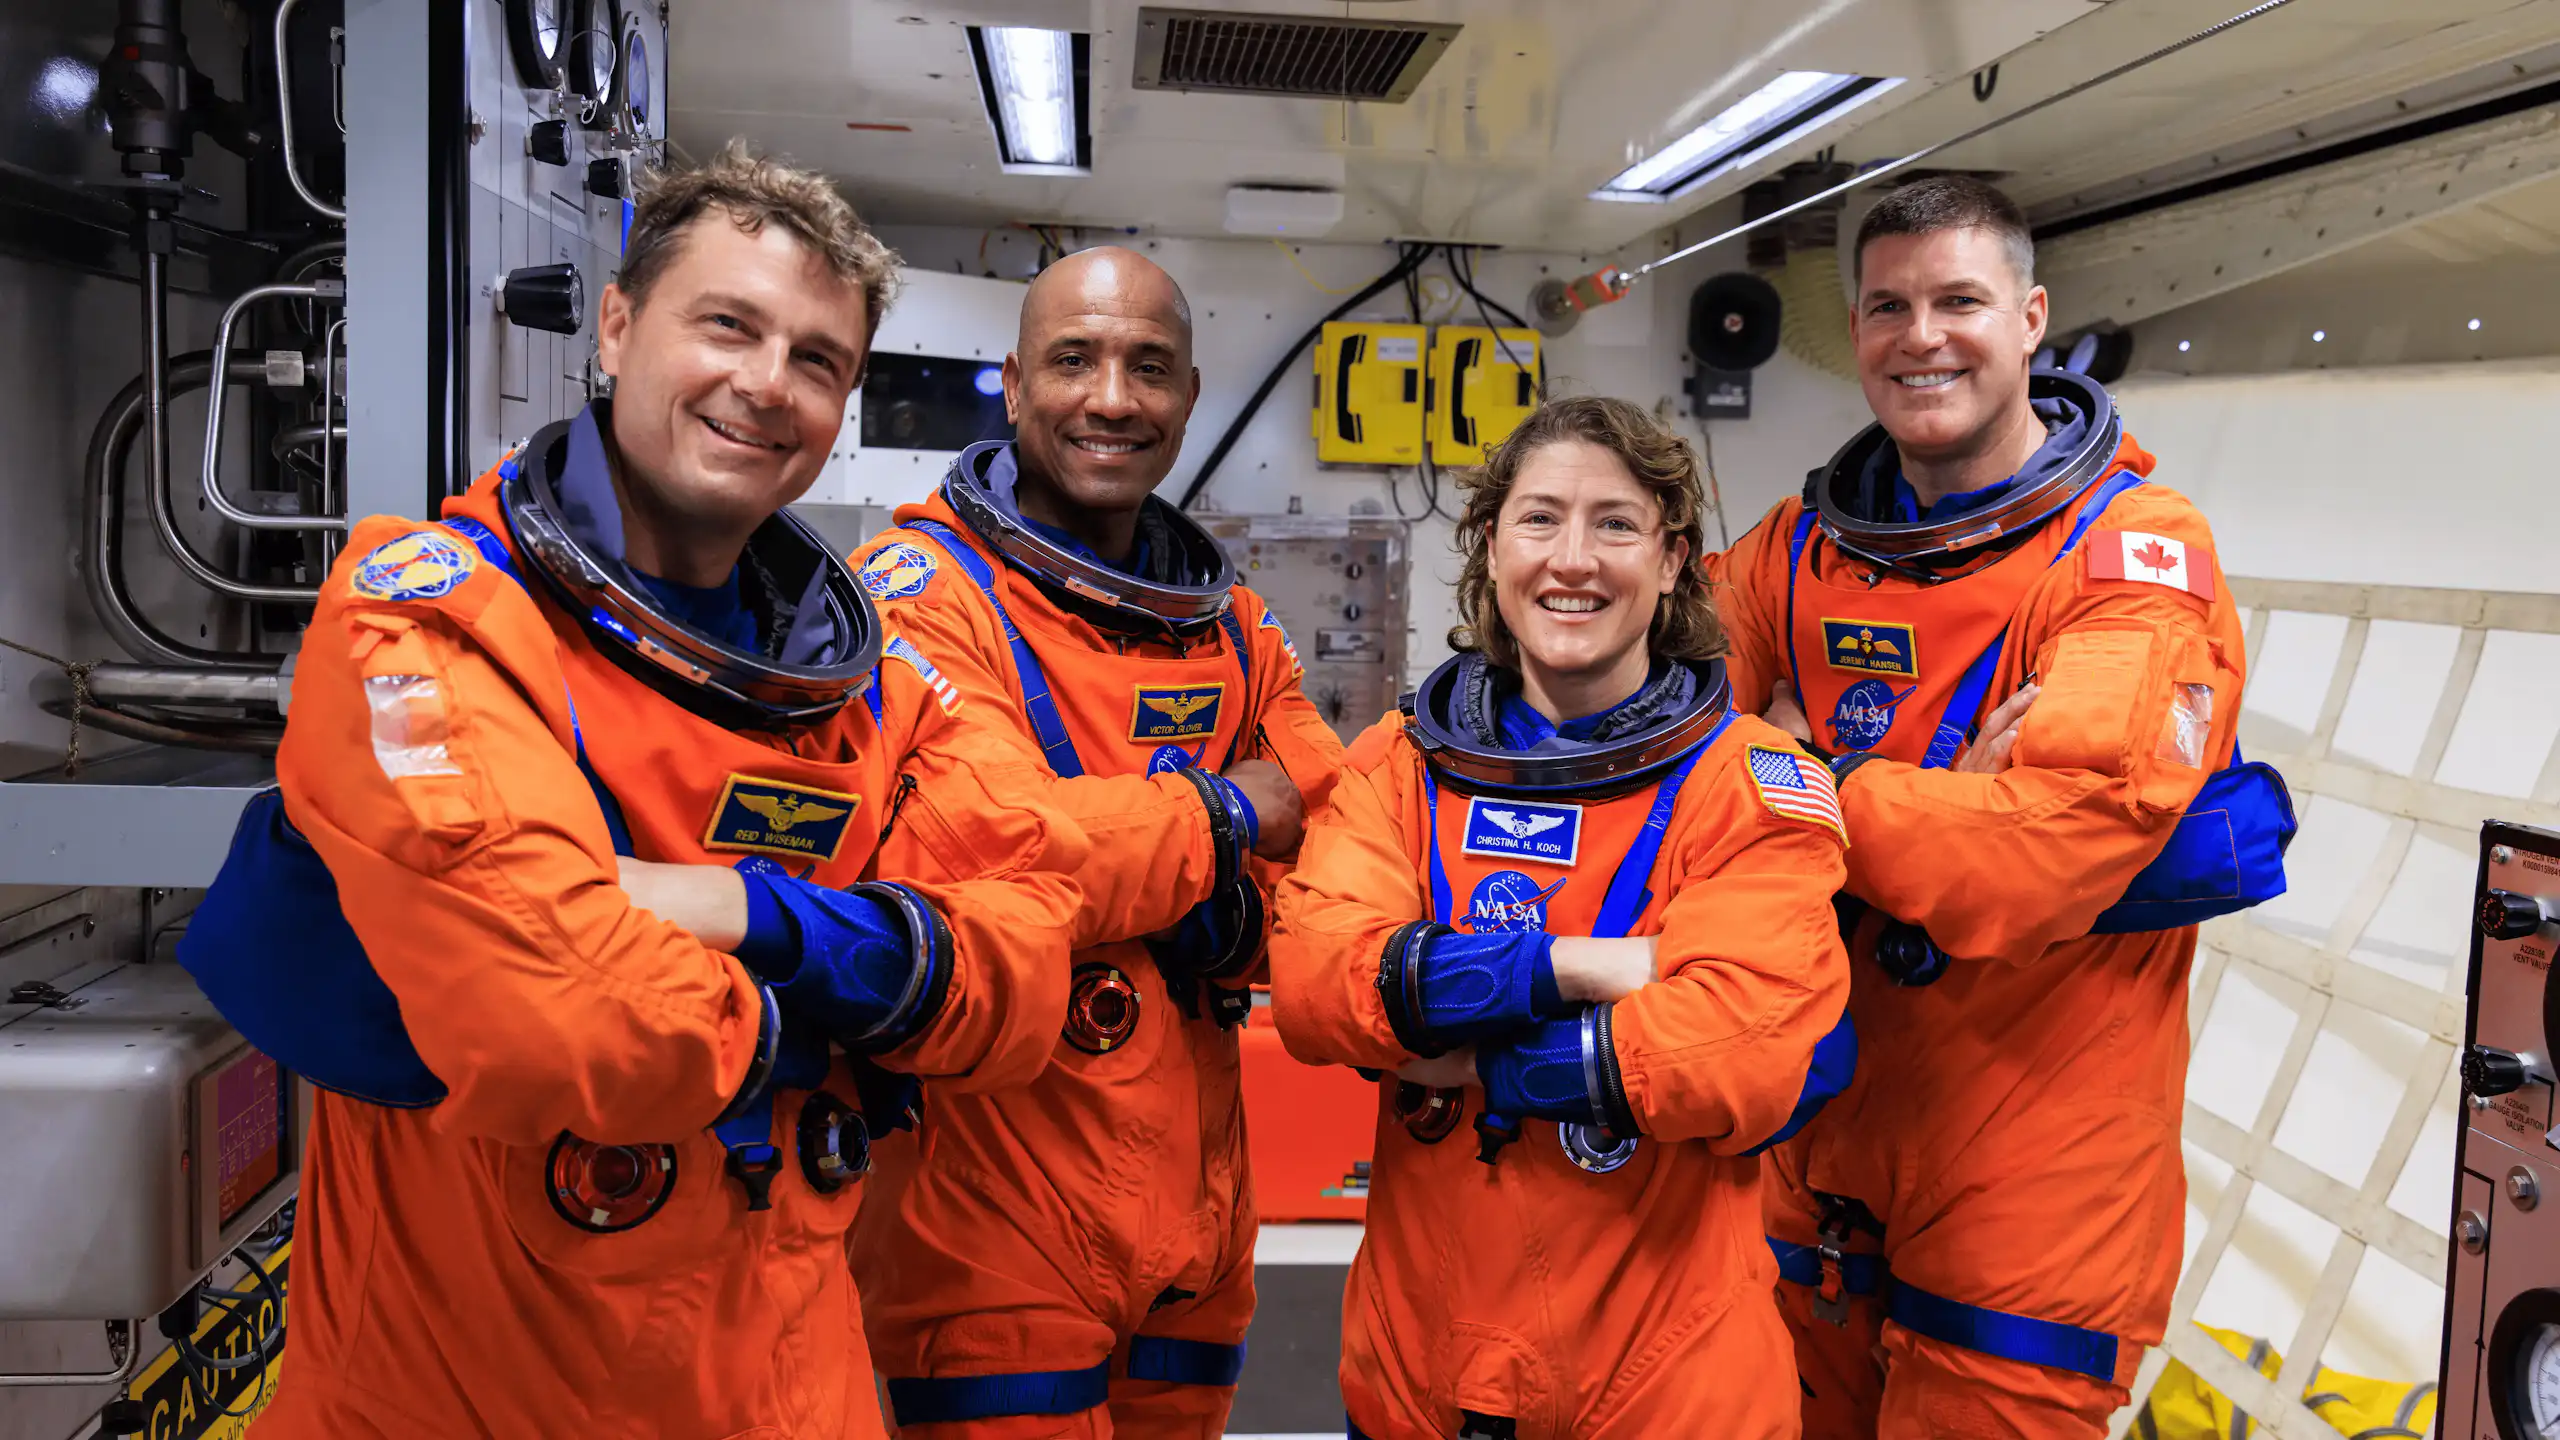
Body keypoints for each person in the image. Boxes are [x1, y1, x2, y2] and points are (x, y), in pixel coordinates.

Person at [177, 144, 1087, 1439]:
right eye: (729, 325)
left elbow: (1030, 964)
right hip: (476, 1394)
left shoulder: (868, 687)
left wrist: (753, 916)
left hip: (795, 1387)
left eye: (818, 360)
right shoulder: (432, 614)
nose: (767, 386)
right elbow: (562, 1016)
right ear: (615, 327)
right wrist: (858, 1001)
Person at [1704, 176, 2256, 1437]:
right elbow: (1654, 752)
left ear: (2029, 319)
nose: (1922, 336)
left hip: (2036, 1159)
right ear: (1855, 334)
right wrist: (1945, 803)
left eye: (1960, 300)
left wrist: (1802, 781)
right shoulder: (1796, 550)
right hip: (1816, 1135)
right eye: (1888, 306)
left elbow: (2044, 850)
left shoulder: (2130, 555)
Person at [1268, 395, 1856, 1440]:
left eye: (1615, 524)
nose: (1571, 560)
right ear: (1491, 547)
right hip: (1417, 1379)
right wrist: (1589, 969)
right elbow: (1319, 989)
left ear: (1673, 560)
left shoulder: (1752, 786)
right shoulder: (1400, 771)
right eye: (1539, 520)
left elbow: (1742, 1050)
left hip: (1666, 1394)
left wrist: (1468, 1052)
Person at [847, 246, 1345, 1439]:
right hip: (988, 1204)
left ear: (1187, 397)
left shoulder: (1230, 623)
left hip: (1201, 1204)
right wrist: (1226, 816)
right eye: (1074, 360)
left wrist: (1194, 891)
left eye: (1149, 367)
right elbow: (982, 854)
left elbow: (1336, 831)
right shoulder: (918, 595)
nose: (1112, 398)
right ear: (1014, 385)